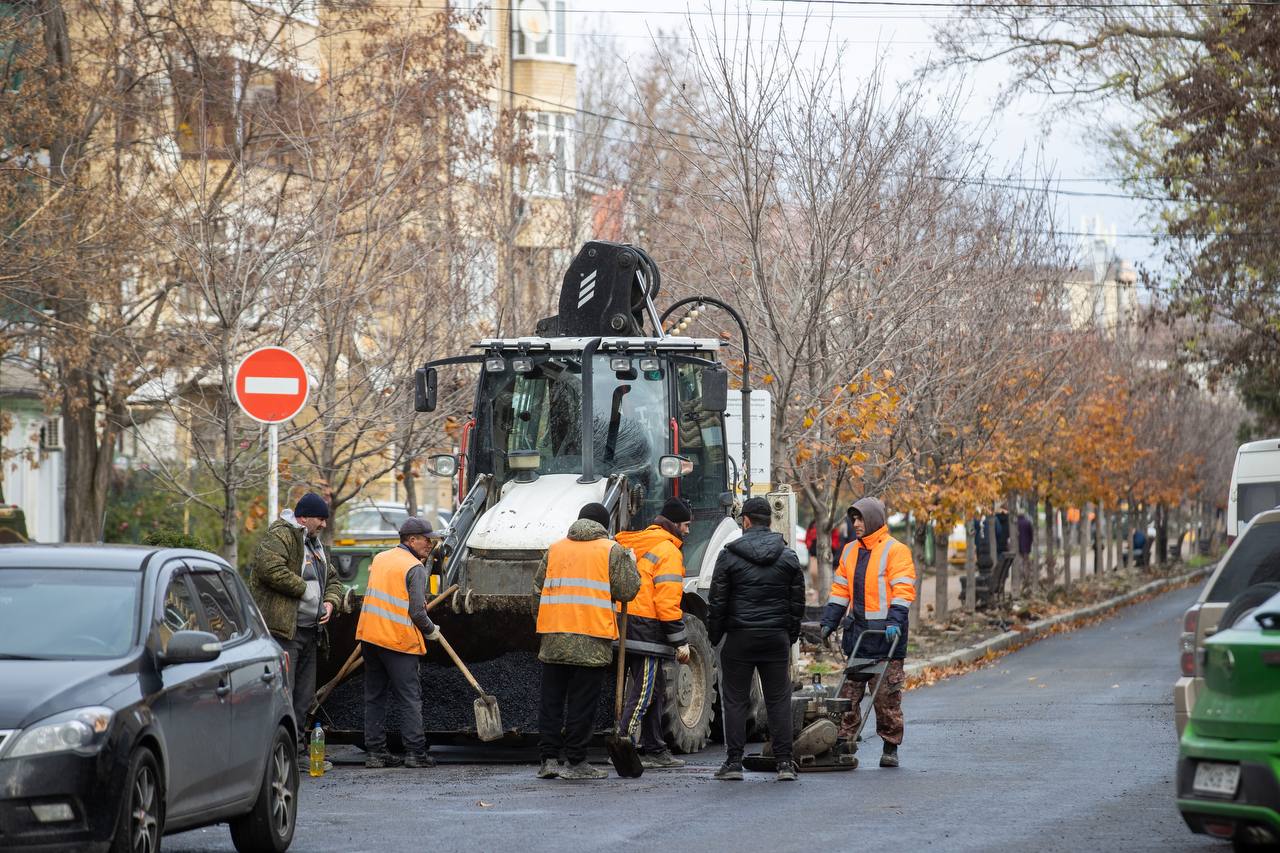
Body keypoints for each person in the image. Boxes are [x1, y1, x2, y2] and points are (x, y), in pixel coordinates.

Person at [532, 502, 640, 780]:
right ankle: (576, 762)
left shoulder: (555, 548)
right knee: (582, 703)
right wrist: (630, 563)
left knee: (551, 701)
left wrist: (546, 620)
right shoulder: (611, 550)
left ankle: (548, 760)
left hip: (554, 636)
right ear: (604, 525)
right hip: (591, 637)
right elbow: (627, 591)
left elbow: (536, 589)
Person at [708, 497, 805, 782]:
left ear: (746, 521)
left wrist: (716, 636)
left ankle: (734, 762)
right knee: (778, 699)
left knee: (736, 699)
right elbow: (796, 603)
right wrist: (789, 635)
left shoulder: (728, 556)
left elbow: (717, 601)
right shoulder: (788, 556)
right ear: (769, 521)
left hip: (739, 638)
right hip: (775, 637)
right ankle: (785, 763)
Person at [820, 496, 916, 768]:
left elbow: (903, 589)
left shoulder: (896, 551)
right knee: (848, 697)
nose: (856, 523)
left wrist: (895, 620)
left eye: (860, 518)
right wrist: (830, 620)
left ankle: (890, 746)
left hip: (887, 637)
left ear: (873, 519)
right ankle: (843, 743)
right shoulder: (850, 551)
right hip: (859, 636)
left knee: (886, 698)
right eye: (853, 519)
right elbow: (840, 590)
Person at [248, 491, 342, 735]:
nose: (323, 524)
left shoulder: (316, 546)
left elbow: (333, 580)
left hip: (310, 633)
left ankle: (297, 750)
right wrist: (306, 591)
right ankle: (279, 749)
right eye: (320, 519)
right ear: (303, 518)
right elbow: (269, 568)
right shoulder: (281, 535)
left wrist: (330, 602)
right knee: (284, 694)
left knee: (303, 696)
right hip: (284, 633)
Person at [356, 517, 442, 769]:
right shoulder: (413, 567)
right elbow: (416, 612)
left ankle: (375, 753)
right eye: (427, 540)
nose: (430, 544)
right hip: (397, 641)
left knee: (374, 696)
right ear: (411, 540)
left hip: (370, 638)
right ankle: (415, 752)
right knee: (410, 697)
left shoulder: (381, 558)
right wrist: (431, 630)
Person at [614, 498, 693, 770]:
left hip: (625, 622)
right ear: (674, 524)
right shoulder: (668, 551)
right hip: (647, 628)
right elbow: (667, 602)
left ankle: (655, 748)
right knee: (646, 691)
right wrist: (680, 640)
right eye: (685, 525)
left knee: (655, 688)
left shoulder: (636, 542)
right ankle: (622, 739)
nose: (687, 530)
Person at [1017, 510, 1035, 588]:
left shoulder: (1016, 523)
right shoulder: (1027, 522)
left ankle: (1021, 575)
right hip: (1027, 545)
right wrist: (1030, 542)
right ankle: (1026, 575)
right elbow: (1031, 534)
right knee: (1026, 560)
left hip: (1019, 545)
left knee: (1020, 561)